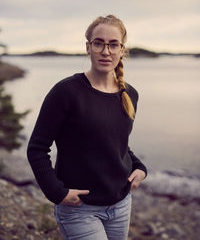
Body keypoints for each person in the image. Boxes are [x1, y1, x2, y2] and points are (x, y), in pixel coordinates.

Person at [27, 14, 147, 240]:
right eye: (99, 43)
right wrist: (56, 192)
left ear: (122, 49)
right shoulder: (66, 92)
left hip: (121, 205)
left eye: (113, 45)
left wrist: (140, 167)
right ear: (88, 47)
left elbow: (116, 144)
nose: (106, 51)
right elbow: (37, 148)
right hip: (79, 209)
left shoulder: (130, 94)